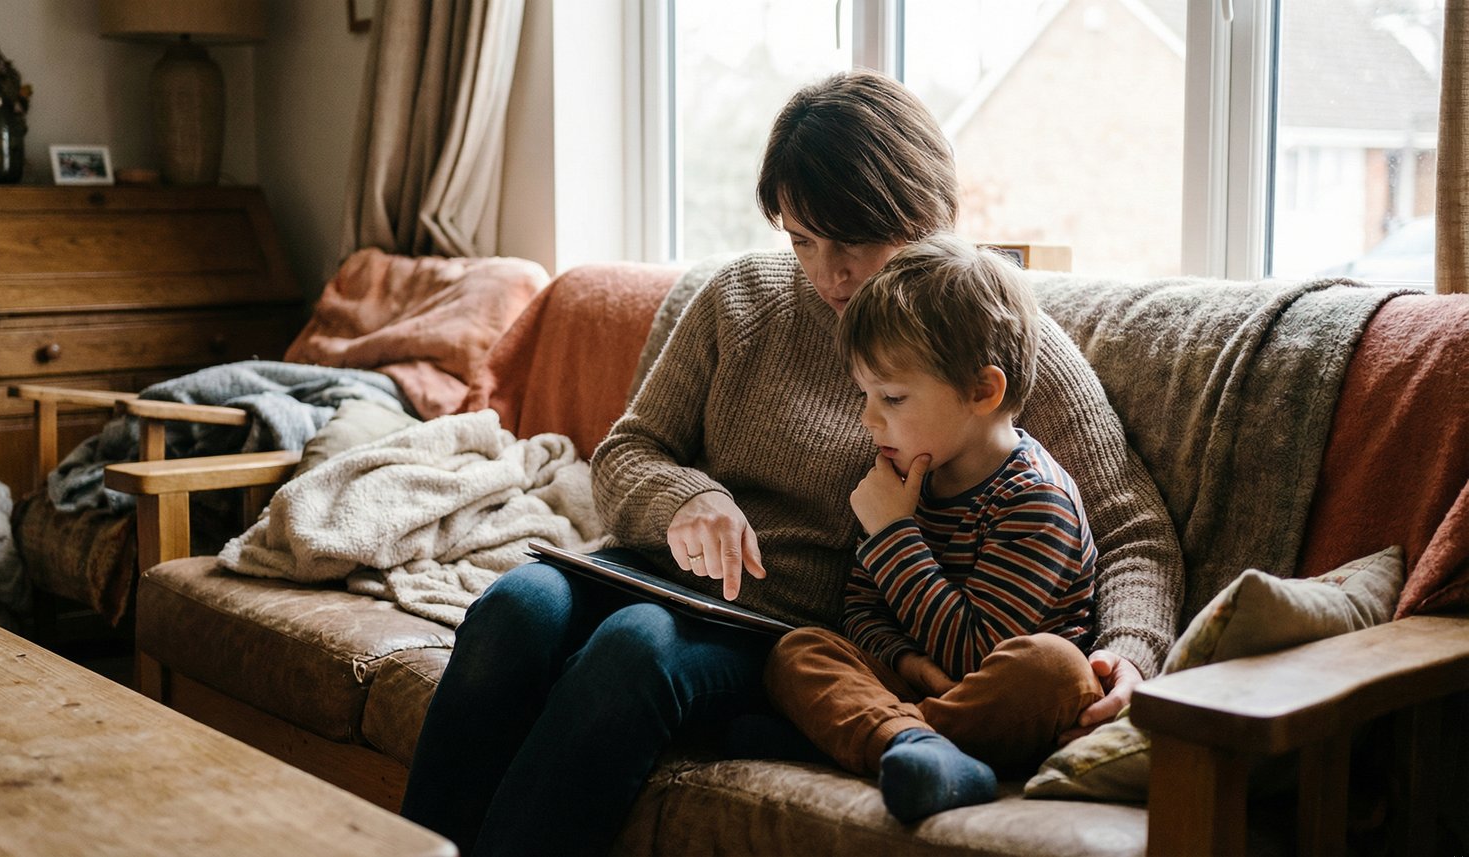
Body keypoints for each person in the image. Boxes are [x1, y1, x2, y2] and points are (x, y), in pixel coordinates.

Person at [400, 69, 1181, 854]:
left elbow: (1129, 522)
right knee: (512, 608)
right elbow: (628, 450)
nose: (829, 273)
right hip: (640, 565)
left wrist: (1133, 655)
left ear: (927, 218)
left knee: (633, 647)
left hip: (777, 629)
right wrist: (686, 497)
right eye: (804, 240)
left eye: (854, 243)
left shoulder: (979, 337)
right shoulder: (737, 299)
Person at [762, 233, 1101, 823]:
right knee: (798, 649)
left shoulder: (1035, 499)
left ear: (982, 391)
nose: (868, 419)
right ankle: (916, 747)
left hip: (1002, 699)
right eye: (865, 394)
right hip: (915, 680)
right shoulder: (908, 481)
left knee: (1052, 668)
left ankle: (886, 737)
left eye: (891, 397)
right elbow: (861, 612)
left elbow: (979, 657)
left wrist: (895, 535)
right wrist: (912, 668)